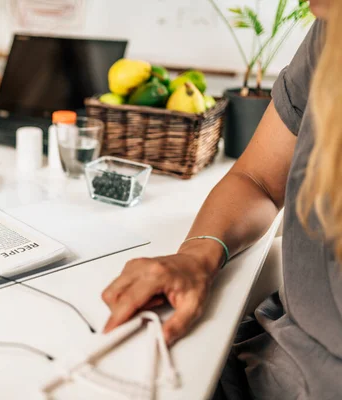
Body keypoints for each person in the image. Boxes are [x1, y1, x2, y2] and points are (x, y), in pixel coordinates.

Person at [101, 0, 341, 398]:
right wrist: (196, 257)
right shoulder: (328, 34)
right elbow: (258, 178)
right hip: (263, 360)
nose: (313, 5)